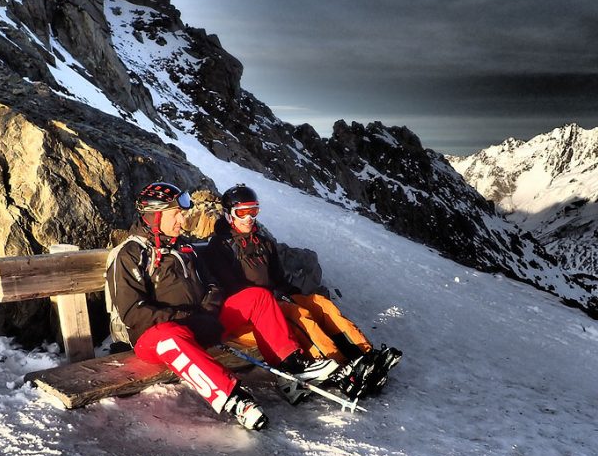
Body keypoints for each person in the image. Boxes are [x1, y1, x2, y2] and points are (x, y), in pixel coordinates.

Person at [104, 182, 339, 430]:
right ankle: (234, 398)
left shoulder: (184, 248)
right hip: (155, 337)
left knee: (257, 296)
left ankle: (291, 366)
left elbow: (213, 285)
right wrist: (187, 318)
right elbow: (133, 313)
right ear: (155, 216)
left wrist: (209, 311)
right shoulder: (131, 254)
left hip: (199, 323)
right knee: (169, 336)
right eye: (176, 213)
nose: (182, 219)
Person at [204, 184, 403, 401]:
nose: (249, 217)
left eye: (254, 211)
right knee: (297, 315)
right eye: (242, 212)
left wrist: (298, 296)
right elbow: (231, 287)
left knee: (318, 304)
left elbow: (279, 279)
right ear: (229, 214)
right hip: (248, 314)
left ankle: (363, 354)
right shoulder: (220, 246)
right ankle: (334, 363)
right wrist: (280, 301)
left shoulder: (262, 243)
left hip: (271, 299)